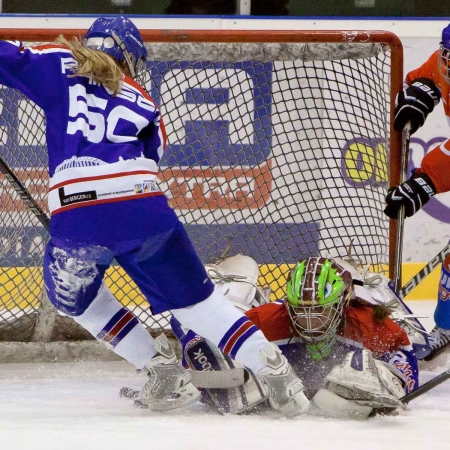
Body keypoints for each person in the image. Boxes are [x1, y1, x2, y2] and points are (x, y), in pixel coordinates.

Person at [0, 16, 310, 417]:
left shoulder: (60, 62)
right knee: (198, 305)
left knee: (78, 302)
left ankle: (162, 372)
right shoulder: (143, 98)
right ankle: (278, 373)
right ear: (129, 56)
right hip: (147, 209)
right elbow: (150, 161)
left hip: (80, 215)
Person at [171, 255, 425, 419]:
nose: (308, 320)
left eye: (320, 310)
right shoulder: (267, 320)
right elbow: (200, 334)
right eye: (299, 310)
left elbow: (404, 357)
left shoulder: (369, 324)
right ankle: (225, 282)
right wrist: (209, 369)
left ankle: (373, 286)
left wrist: (388, 381)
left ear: (343, 304)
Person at [384, 23, 450, 359]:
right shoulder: (443, 61)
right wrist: (424, 89)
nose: (448, 64)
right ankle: (447, 329)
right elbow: (429, 73)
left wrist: (426, 182)